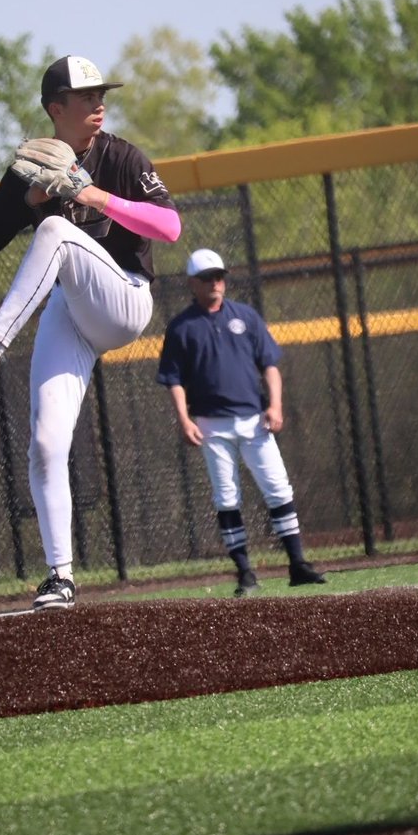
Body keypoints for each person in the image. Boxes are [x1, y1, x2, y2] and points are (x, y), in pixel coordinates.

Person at [0, 54, 182, 610]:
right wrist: (29, 198)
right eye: (87, 96)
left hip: (124, 298)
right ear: (55, 109)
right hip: (72, 312)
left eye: (102, 95)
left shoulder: (120, 155)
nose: (100, 104)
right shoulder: (34, 164)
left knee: (57, 234)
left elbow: (170, 225)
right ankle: (60, 576)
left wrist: (95, 196)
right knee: (45, 443)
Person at [156, 247, 326, 597]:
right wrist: (184, 419)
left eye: (219, 276)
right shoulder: (181, 327)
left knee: (278, 488)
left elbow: (270, 365)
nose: (215, 283)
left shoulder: (245, 316)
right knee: (227, 496)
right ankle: (245, 571)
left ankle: (297, 564)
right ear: (192, 283)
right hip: (211, 425)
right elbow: (173, 379)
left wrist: (275, 405)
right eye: (206, 278)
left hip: (254, 420)